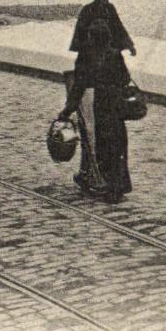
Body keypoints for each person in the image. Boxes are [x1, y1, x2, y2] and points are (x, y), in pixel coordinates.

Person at [60, 21, 132, 203]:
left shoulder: (90, 58)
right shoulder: (115, 55)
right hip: (117, 106)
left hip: (102, 106)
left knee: (104, 147)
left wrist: (67, 110)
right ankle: (120, 184)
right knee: (119, 146)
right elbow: (126, 78)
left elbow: (80, 86)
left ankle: (110, 186)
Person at [70, 0, 137, 59]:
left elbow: (118, 27)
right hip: (91, 54)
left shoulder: (110, 8)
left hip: (108, 53)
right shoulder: (88, 10)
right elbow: (80, 33)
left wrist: (129, 45)